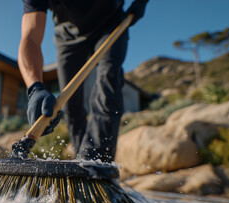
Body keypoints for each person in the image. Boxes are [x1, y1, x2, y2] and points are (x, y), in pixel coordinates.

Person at [18, 0, 148, 162]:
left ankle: (98, 163)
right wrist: (34, 87)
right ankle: (82, 161)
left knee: (109, 83)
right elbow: (30, 38)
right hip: (67, 37)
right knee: (70, 103)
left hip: (111, 24)